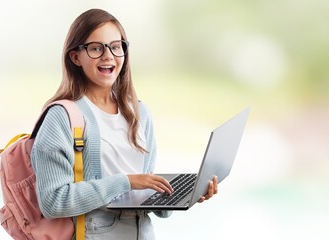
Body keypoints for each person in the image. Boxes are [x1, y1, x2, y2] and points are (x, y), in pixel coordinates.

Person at [31, 8, 218, 240]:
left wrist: (186, 194)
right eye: (96, 48)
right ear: (75, 57)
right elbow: (54, 202)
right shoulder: (61, 117)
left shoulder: (140, 114)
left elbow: (142, 192)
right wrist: (126, 182)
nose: (108, 56)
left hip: (143, 232)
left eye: (116, 46)